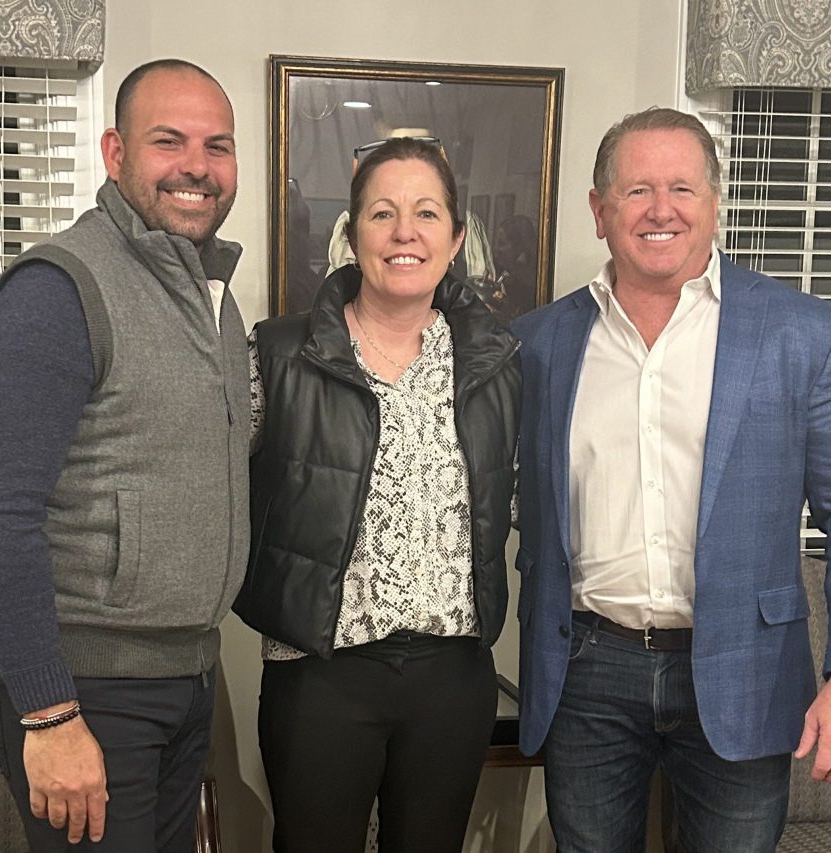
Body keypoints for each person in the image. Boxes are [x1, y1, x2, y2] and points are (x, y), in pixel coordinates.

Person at [512, 107, 831, 852]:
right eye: (635, 191)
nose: (661, 209)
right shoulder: (537, 343)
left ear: (715, 204)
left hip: (745, 672)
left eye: (682, 189)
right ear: (600, 212)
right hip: (587, 671)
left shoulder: (804, 335)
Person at [0, 58, 248, 852]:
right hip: (89, 687)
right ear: (115, 153)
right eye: (170, 141)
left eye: (217, 145)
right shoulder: (57, 289)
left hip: (183, 676)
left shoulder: (209, 295)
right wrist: (50, 713)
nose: (198, 165)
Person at [235, 136, 520, 853]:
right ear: (352, 233)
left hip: (451, 679)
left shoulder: (497, 365)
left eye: (426, 214)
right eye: (383, 213)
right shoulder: (278, 354)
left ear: (455, 238)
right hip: (321, 678)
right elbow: (207, 488)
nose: (404, 233)